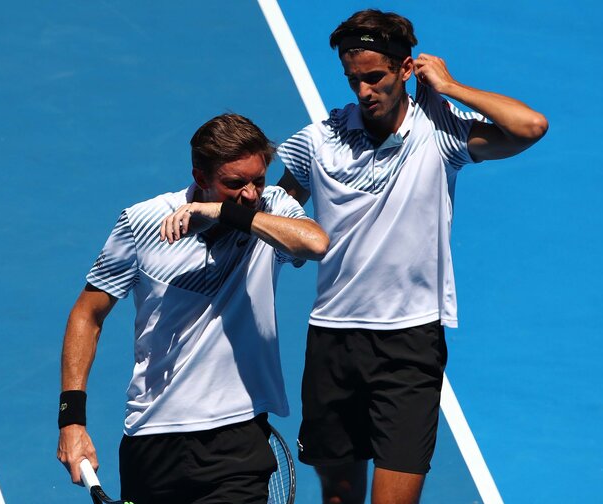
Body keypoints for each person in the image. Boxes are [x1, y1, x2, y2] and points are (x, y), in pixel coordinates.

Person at [276, 9, 548, 504]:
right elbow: (279, 211)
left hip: (409, 344)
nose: (363, 92)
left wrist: (450, 86)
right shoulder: (317, 141)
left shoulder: (440, 135)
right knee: (338, 498)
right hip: (332, 338)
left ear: (406, 69)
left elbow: (530, 126)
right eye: (353, 79)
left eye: (375, 77)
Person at [56, 113, 329, 504]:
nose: (251, 193)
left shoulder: (270, 210)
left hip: (238, 437)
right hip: (152, 439)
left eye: (258, 179)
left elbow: (316, 243)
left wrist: (224, 211)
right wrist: (72, 419)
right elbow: (87, 314)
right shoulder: (142, 221)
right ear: (201, 178)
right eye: (235, 184)